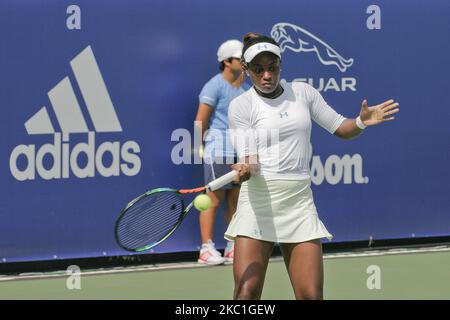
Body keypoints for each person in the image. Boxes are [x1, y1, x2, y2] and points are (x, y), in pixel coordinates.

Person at [226, 33, 400, 299]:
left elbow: (341, 128)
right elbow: (249, 158)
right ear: (246, 69)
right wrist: (246, 168)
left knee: (310, 295)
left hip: (298, 204)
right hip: (258, 205)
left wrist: (362, 121)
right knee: (246, 293)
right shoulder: (241, 105)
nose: (266, 75)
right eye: (258, 69)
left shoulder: (304, 93)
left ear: (280, 64)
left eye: (272, 67)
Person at [195, 39, 250, 265]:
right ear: (227, 62)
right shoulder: (214, 86)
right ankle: (206, 249)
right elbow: (201, 120)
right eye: (240, 59)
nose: (243, 63)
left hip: (241, 151)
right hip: (218, 150)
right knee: (213, 201)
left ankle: (231, 246)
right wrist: (201, 147)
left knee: (235, 201)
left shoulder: (246, 89)